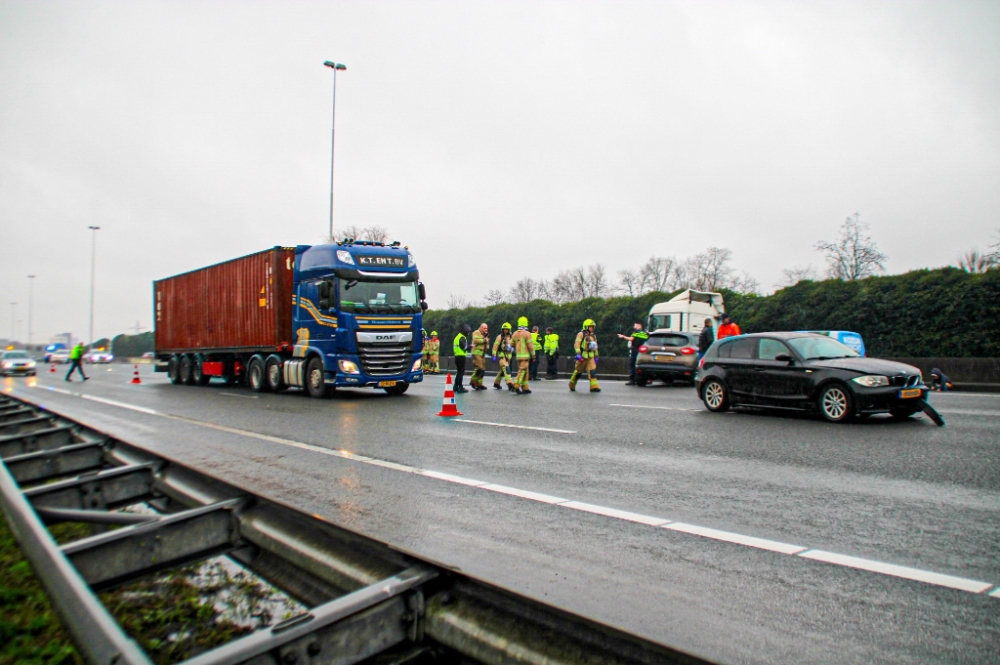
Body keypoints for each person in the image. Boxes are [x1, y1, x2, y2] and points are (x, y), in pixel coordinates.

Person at [569, 319, 600, 393]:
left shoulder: (593, 336)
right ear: (586, 326)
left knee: (592, 371)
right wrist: (578, 354)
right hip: (582, 356)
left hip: (590, 356)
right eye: (590, 327)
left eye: (593, 327)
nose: (592, 328)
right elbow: (577, 344)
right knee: (578, 372)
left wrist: (596, 356)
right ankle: (572, 384)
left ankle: (594, 387)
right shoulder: (581, 334)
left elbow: (595, 347)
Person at [511, 316, 534, 394]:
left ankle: (525, 387)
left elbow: (511, 345)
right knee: (522, 371)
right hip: (525, 356)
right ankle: (516, 386)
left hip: (518, 356)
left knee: (525, 372)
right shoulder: (527, 333)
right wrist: (533, 356)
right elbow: (530, 346)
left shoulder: (515, 333)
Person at [492, 322, 516, 391]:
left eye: (506, 329)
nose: (505, 331)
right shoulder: (500, 337)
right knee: (507, 369)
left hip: (509, 357)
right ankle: (510, 384)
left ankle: (496, 383)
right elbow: (495, 346)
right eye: (504, 329)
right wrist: (494, 355)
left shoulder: (511, 337)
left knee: (502, 371)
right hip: (502, 356)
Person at [470, 323, 490, 390]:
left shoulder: (485, 334)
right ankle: (473, 381)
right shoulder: (476, 332)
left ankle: (480, 383)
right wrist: (484, 340)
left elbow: (486, 343)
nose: (486, 330)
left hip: (482, 353)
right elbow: (476, 340)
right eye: (484, 328)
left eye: (486, 328)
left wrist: (487, 345)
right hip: (476, 352)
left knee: (483, 369)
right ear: (481, 328)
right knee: (479, 368)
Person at [453, 325, 471, 392]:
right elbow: (465, 347)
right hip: (461, 357)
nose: (468, 333)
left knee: (458, 372)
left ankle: (455, 386)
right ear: (465, 331)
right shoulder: (462, 338)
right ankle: (460, 387)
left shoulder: (457, 337)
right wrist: (471, 346)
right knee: (461, 372)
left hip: (457, 356)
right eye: (468, 332)